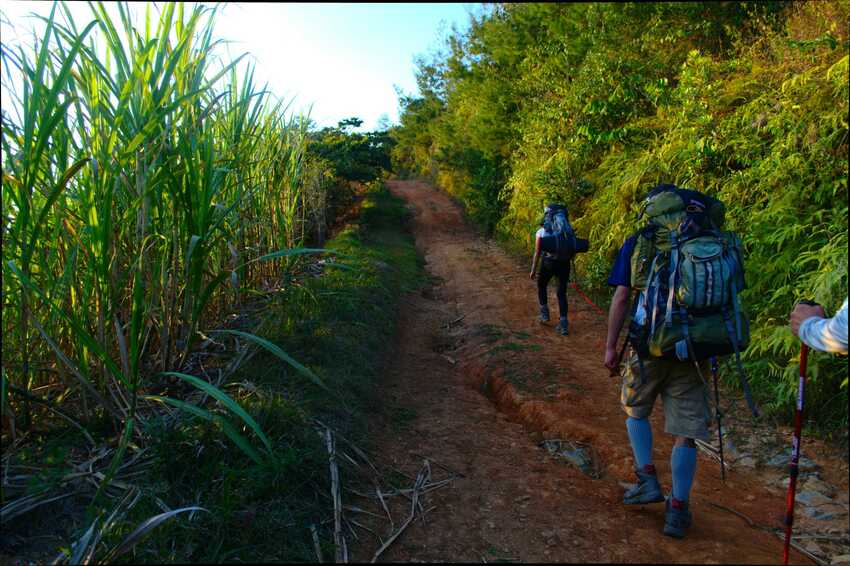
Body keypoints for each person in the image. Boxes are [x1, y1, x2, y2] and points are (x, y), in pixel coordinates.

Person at [604, 223, 711, 540]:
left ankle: (647, 478)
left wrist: (611, 346)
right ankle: (678, 508)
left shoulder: (641, 240)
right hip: (694, 349)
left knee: (635, 408)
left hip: (649, 343)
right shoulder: (708, 242)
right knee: (685, 431)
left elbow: (623, 296)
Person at [530, 208, 570, 336]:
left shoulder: (541, 232)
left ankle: (545, 314)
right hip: (564, 264)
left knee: (542, 285)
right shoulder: (566, 232)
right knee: (561, 293)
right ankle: (563, 324)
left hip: (548, 263)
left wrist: (533, 270)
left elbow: (537, 252)